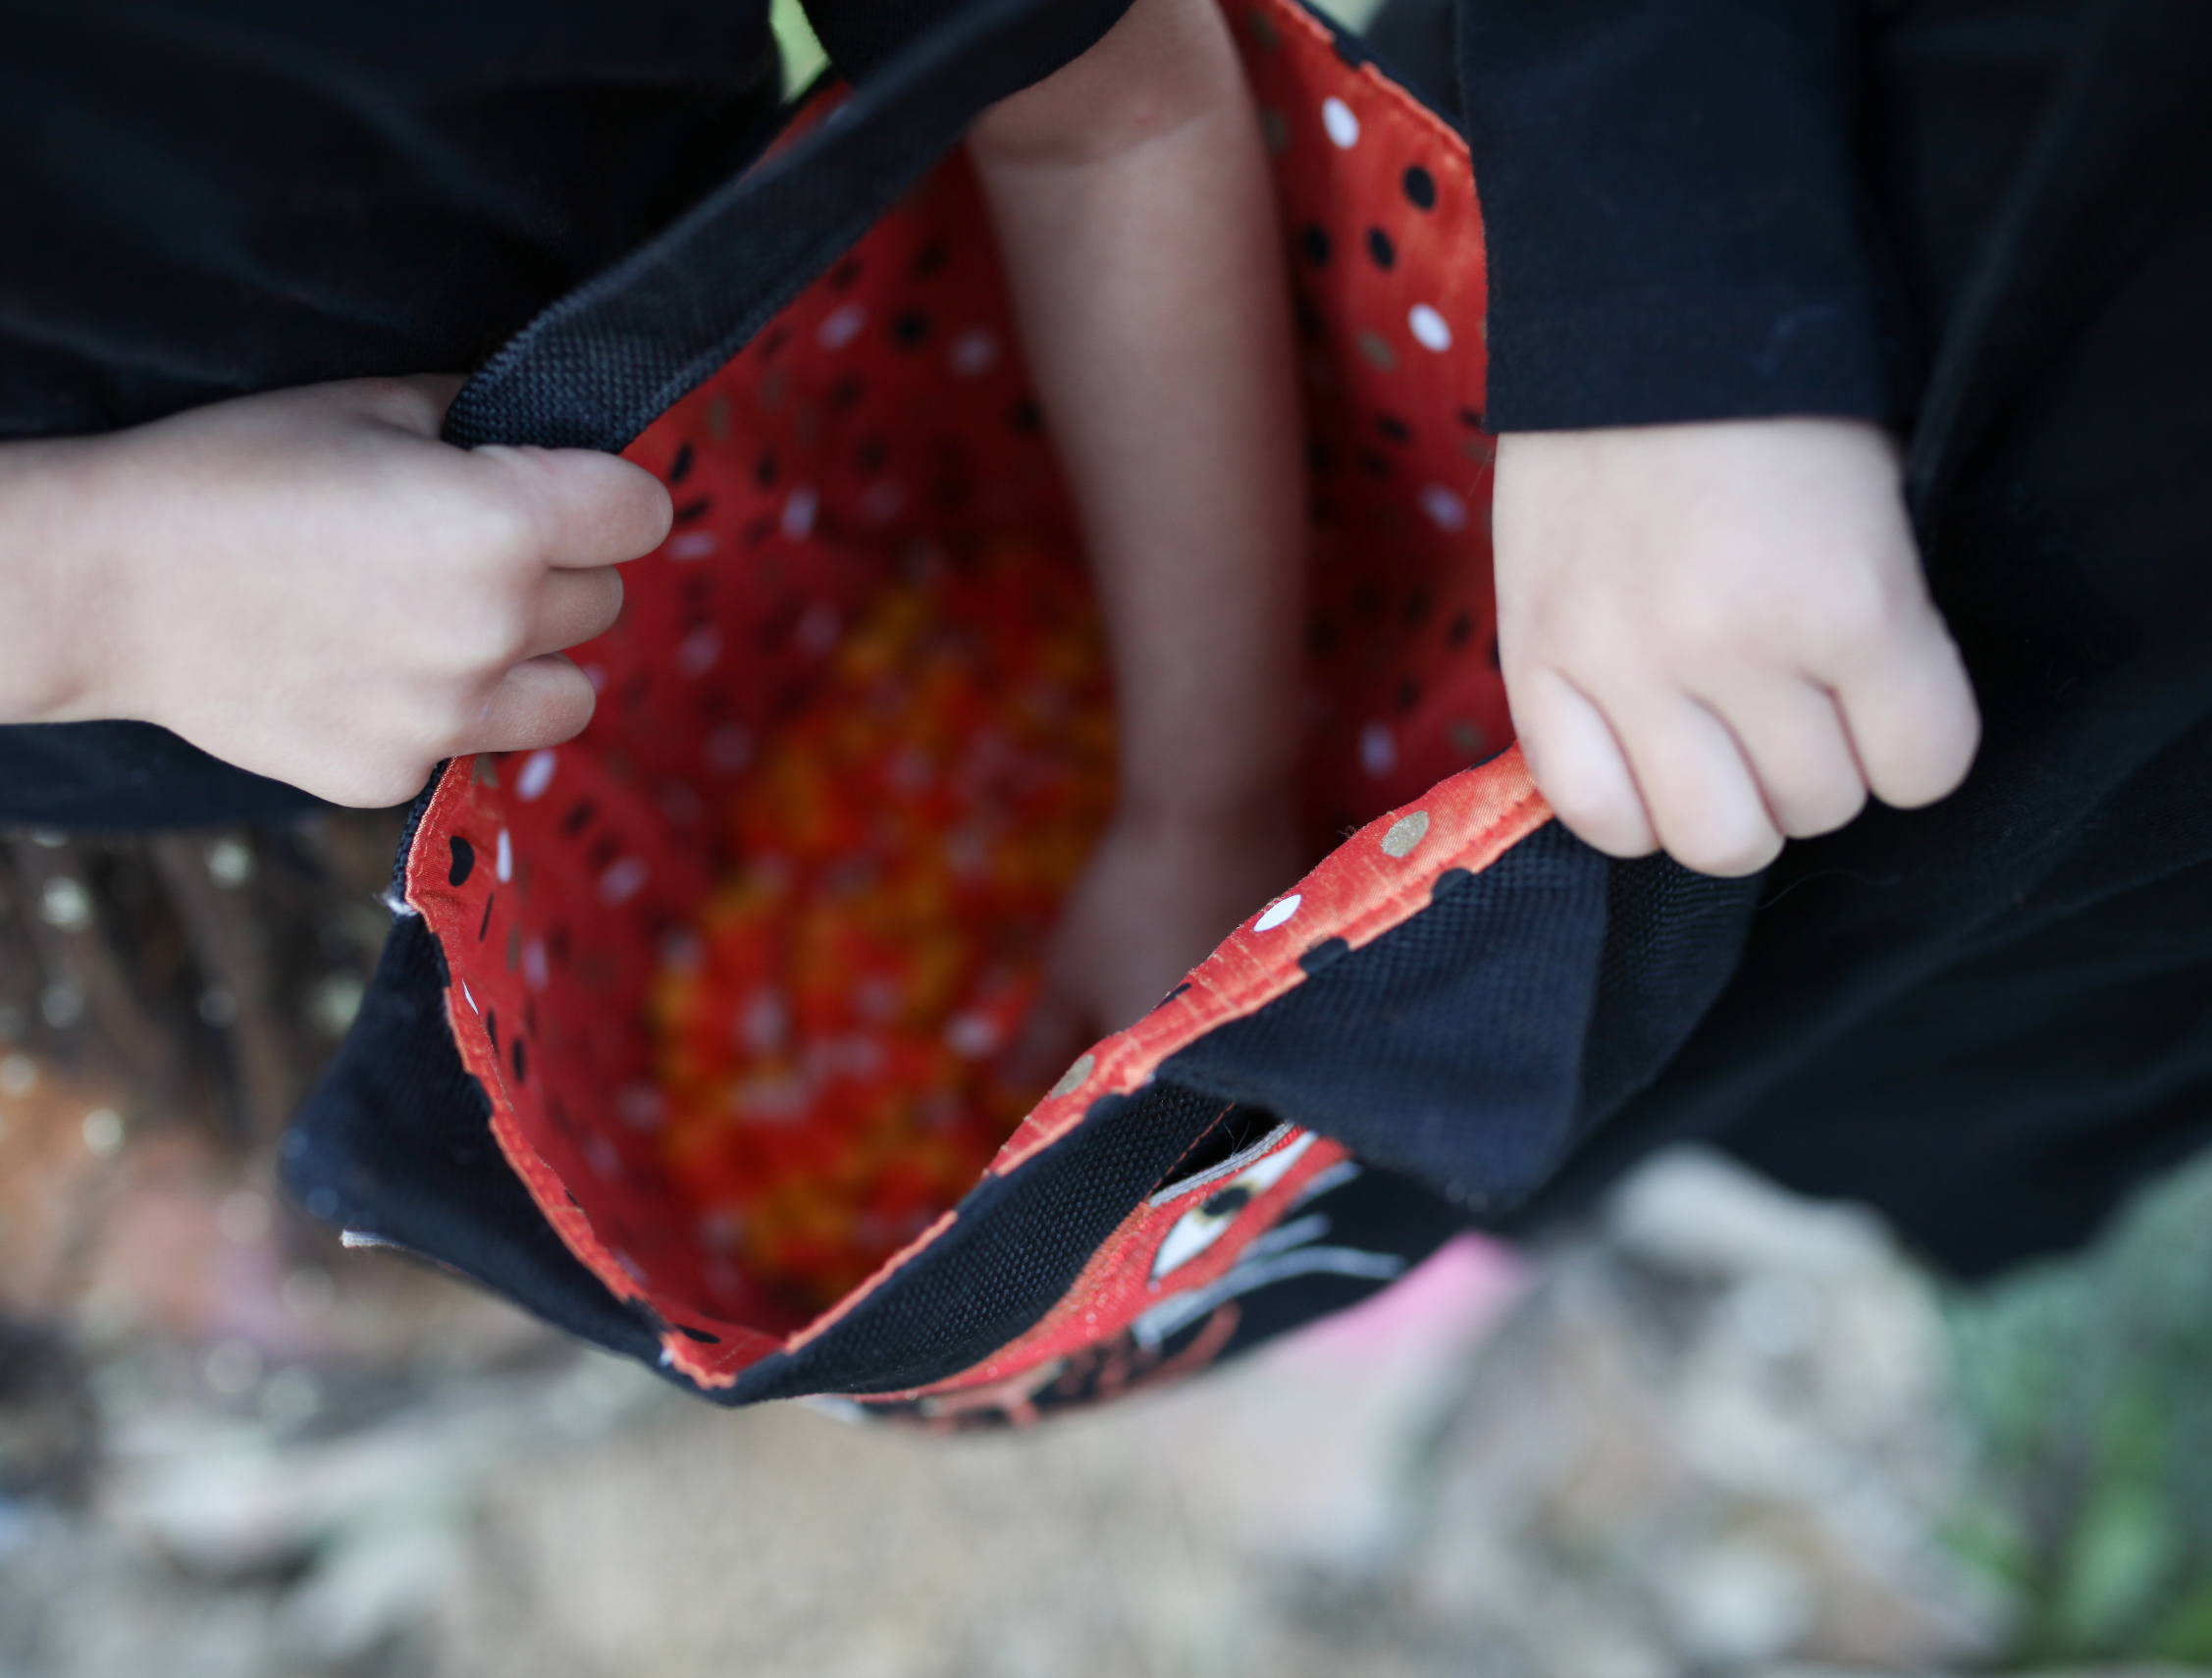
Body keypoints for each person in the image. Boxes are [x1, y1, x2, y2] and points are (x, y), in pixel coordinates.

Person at [0, 0, 1304, 1064]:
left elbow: (1097, 111)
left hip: (759, 532)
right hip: (99, 796)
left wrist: (1199, 803)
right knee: (273, 1151)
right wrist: (102, 595)